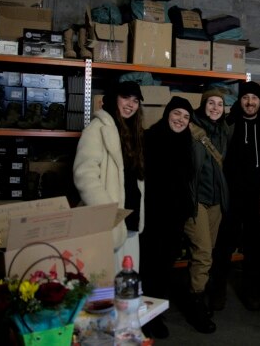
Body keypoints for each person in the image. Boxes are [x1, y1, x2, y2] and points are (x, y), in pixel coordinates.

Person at [211, 81, 260, 311]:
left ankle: (251, 291)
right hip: (232, 196)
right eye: (246, 98)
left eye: (254, 98)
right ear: (240, 101)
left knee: (254, 248)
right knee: (223, 246)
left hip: (257, 197)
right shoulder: (229, 122)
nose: (250, 102)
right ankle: (216, 291)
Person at [73, 80, 145, 271]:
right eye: (125, 98)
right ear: (114, 99)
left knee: (128, 280)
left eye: (136, 101)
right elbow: (84, 174)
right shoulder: (97, 129)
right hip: (111, 221)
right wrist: (108, 211)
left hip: (130, 219)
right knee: (107, 283)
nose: (130, 104)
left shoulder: (132, 132)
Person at [139, 96, 195, 340]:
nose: (180, 120)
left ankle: (156, 313)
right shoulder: (150, 138)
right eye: (177, 114)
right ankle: (142, 315)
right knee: (148, 266)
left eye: (186, 117)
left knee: (165, 268)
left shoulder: (187, 142)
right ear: (167, 114)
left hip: (175, 217)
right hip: (151, 216)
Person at [183, 88, 232, 334]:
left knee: (207, 252)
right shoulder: (190, 129)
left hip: (216, 202)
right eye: (210, 103)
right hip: (197, 200)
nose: (215, 107)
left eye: (219, 104)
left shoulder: (224, 131)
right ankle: (195, 305)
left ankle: (197, 293)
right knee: (203, 253)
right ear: (203, 106)